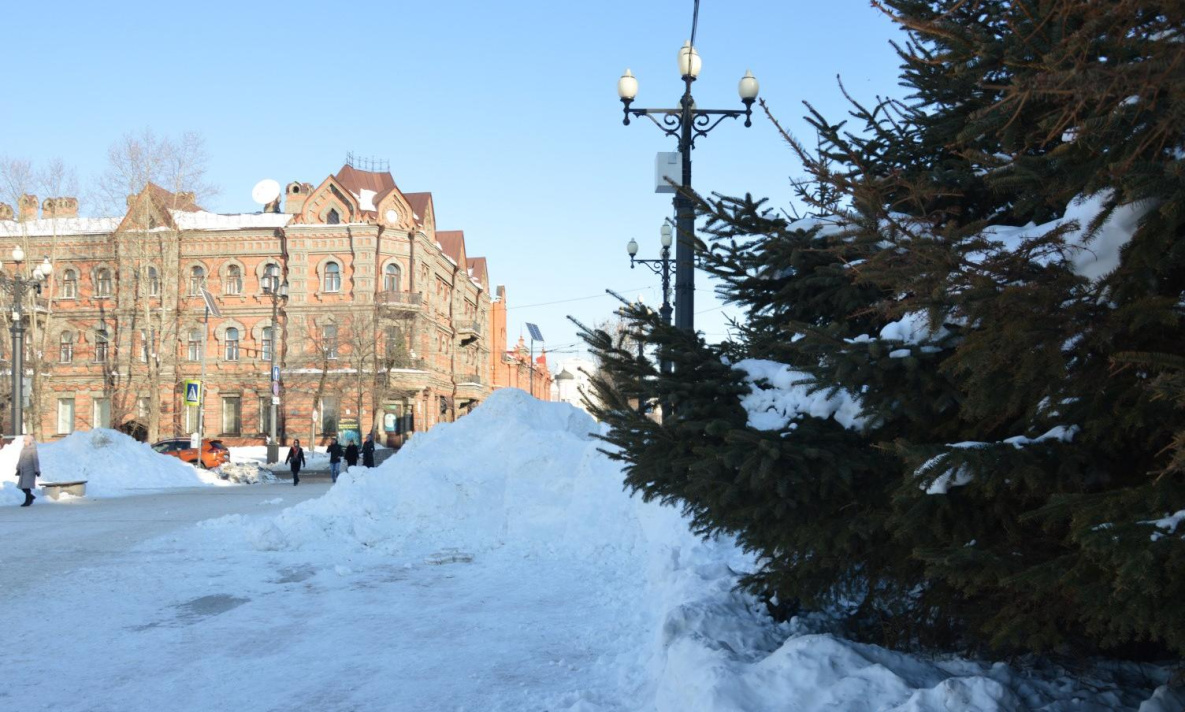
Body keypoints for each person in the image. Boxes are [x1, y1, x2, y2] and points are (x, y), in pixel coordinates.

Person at [16, 435, 40, 507]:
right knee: (22, 487)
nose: (24, 442)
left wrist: (37, 470)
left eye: (26, 441)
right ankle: (31, 497)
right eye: (24, 441)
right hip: (23, 470)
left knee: (26, 486)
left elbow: (36, 461)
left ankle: (27, 501)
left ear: (30, 442)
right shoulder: (23, 449)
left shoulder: (33, 450)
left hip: (30, 471)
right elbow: (20, 460)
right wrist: (18, 469)